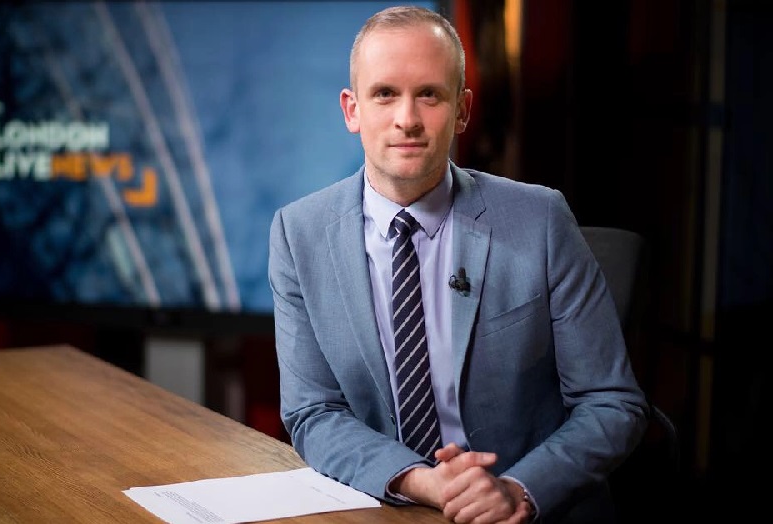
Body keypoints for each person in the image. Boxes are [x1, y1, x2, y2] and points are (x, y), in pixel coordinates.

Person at [267, 5, 648, 524]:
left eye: (429, 94)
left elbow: (612, 402)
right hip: (394, 507)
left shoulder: (540, 219)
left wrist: (519, 489)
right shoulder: (298, 233)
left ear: (463, 109)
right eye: (385, 94)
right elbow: (313, 413)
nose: (407, 118)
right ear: (351, 110)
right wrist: (422, 482)